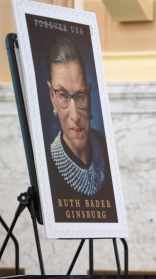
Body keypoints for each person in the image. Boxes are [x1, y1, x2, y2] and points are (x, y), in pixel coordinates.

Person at [46, 33, 111, 198]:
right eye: (63, 96)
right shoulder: (46, 166)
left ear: (88, 95)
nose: (75, 116)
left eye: (80, 96)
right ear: (52, 96)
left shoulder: (106, 147)